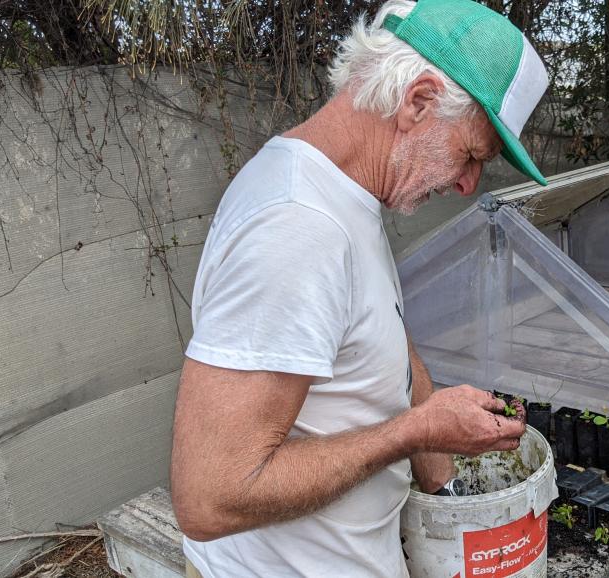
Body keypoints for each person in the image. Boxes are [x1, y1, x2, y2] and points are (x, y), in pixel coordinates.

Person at [169, 0, 550, 576]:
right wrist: (415, 430)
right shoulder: (297, 226)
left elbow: (384, 336)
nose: (470, 184)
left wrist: (441, 479)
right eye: (471, 154)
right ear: (418, 101)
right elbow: (209, 496)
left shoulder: (345, 193)